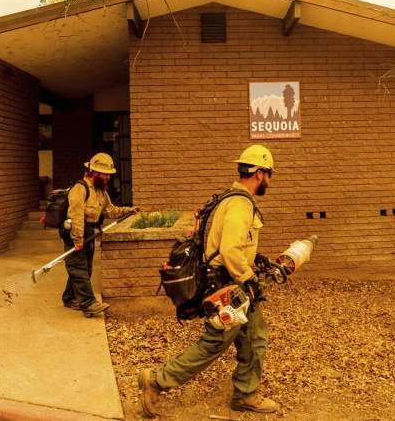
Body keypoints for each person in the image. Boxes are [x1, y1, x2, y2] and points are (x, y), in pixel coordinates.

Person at [138, 144, 279, 417]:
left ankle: (246, 393)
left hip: (233, 281)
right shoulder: (240, 204)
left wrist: (254, 257)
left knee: (254, 337)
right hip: (230, 285)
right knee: (215, 342)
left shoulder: (228, 198)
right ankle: (156, 380)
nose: (269, 181)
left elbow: (232, 243)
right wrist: (249, 277)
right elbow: (229, 250)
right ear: (259, 173)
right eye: (269, 174)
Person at [62, 152, 139, 316]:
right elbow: (75, 216)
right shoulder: (79, 189)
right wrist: (77, 239)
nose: (108, 178)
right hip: (76, 232)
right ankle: (88, 303)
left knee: (85, 269)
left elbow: (110, 210)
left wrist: (128, 210)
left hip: (89, 232)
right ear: (95, 173)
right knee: (78, 268)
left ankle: (69, 298)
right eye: (106, 174)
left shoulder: (101, 191)